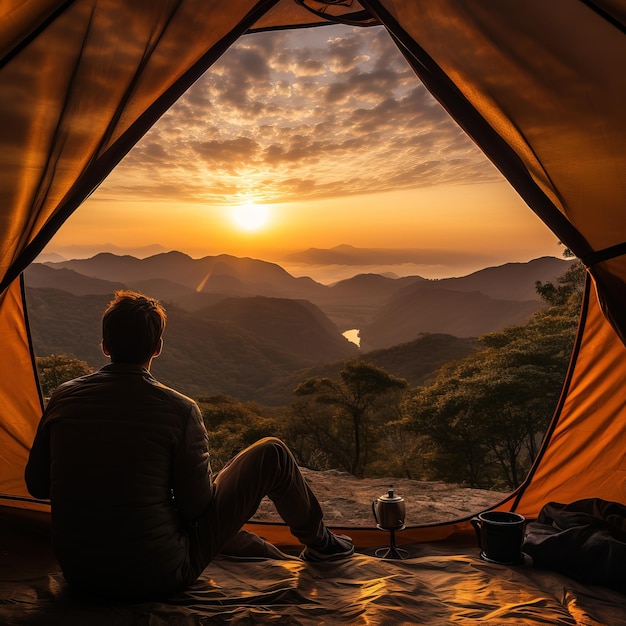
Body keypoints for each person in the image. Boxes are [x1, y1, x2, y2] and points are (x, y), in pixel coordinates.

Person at [25, 290, 353, 600]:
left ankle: (281, 551)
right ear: (158, 347)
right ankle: (321, 543)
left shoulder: (63, 398)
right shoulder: (179, 410)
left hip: (79, 574)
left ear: (105, 345)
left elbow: (37, 485)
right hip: (157, 575)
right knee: (273, 453)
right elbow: (196, 508)